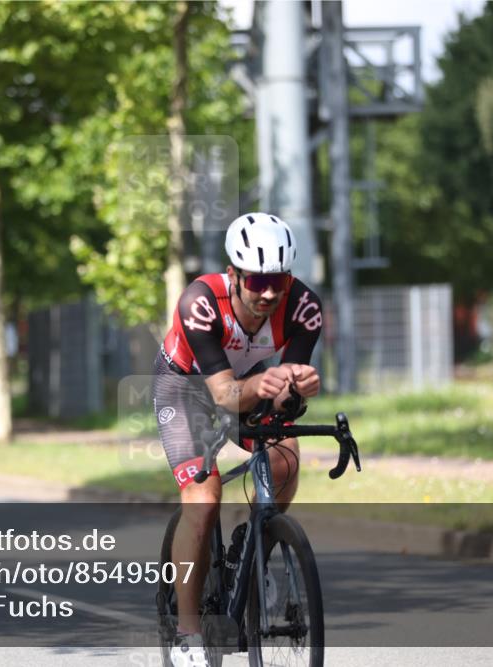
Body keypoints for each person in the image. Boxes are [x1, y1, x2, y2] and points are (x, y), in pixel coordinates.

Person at [153, 212, 323, 667]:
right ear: (233, 274)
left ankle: (254, 544)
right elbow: (225, 396)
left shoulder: (304, 307)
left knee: (285, 458)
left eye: (278, 281)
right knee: (203, 499)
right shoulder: (200, 302)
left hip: (247, 381)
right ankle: (188, 635)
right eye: (257, 281)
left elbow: (286, 399)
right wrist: (265, 384)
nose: (268, 293)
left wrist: (298, 387)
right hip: (187, 387)